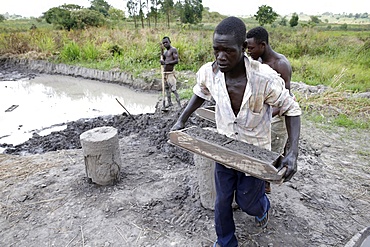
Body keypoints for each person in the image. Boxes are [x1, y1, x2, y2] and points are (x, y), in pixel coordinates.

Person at [171, 17, 301, 247]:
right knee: (221, 200)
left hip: (255, 151)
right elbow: (200, 93)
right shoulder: (208, 73)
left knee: (247, 202)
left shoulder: (264, 79)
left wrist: (292, 152)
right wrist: (181, 120)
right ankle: (225, 241)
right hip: (224, 146)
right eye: (216, 50)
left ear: (243, 49)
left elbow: (292, 108)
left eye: (228, 51)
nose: (220, 57)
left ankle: (263, 207)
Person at [246, 26, 293, 194]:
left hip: (276, 117)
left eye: (251, 48)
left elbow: (284, 101)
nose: (248, 51)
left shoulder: (281, 65)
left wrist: (261, 116)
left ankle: (264, 189)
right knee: (257, 151)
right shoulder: (256, 63)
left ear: (262, 45)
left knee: (271, 153)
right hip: (262, 114)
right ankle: (257, 186)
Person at [160, 36, 181, 108]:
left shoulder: (173, 50)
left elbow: (176, 61)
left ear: (170, 42)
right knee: (166, 89)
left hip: (170, 73)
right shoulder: (165, 52)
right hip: (165, 73)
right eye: (164, 43)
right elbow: (163, 60)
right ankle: (169, 103)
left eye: (166, 42)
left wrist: (165, 63)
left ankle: (179, 105)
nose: (165, 44)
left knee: (173, 89)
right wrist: (162, 55)